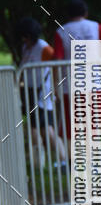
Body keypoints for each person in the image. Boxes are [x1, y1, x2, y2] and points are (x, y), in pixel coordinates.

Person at [53, 0, 101, 139]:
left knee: (71, 131)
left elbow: (57, 61)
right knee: (94, 129)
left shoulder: (61, 31)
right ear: (85, 12)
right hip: (94, 85)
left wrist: (56, 86)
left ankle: (72, 160)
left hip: (71, 87)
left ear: (68, 14)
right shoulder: (94, 27)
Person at [16, 17, 66, 164]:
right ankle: (38, 159)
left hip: (42, 93)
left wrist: (55, 88)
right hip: (29, 91)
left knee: (46, 128)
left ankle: (62, 159)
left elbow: (56, 66)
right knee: (33, 126)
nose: (24, 39)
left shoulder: (43, 48)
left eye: (25, 36)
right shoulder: (26, 48)